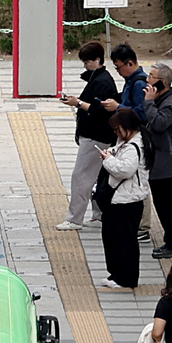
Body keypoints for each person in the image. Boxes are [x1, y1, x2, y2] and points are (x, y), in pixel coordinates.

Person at [58, 41, 121, 229]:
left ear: (97, 60)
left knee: (81, 176)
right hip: (99, 136)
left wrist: (77, 103)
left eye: (87, 62)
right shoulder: (101, 78)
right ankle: (98, 214)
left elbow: (99, 110)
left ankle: (74, 218)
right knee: (98, 177)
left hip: (95, 136)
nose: (85, 65)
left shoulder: (102, 82)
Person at [98, 108, 149, 290]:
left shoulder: (134, 147)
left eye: (118, 129)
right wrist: (110, 154)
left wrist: (108, 160)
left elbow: (125, 170)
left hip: (127, 200)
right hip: (121, 199)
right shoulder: (129, 142)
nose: (116, 133)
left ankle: (125, 278)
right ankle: (117, 274)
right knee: (115, 238)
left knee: (124, 241)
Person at [142, 62, 172, 256]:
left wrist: (149, 103)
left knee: (168, 205)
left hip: (167, 163)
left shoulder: (171, 102)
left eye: (151, 77)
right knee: (163, 204)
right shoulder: (162, 99)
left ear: (162, 82)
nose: (147, 80)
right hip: (158, 161)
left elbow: (159, 124)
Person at [111, 42, 148, 119]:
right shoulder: (130, 80)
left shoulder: (139, 84)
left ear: (130, 64)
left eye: (118, 67)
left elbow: (141, 114)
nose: (118, 71)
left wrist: (118, 107)